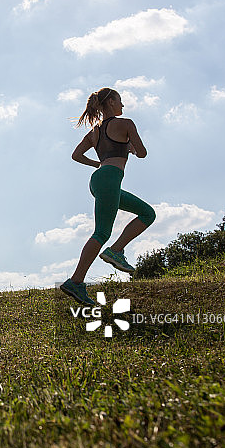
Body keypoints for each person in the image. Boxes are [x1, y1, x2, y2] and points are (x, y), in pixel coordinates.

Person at [60, 87, 156, 306]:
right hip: (110, 178)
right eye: (120, 100)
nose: (122, 105)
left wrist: (98, 164)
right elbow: (142, 153)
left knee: (147, 213)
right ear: (111, 102)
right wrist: (130, 145)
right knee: (102, 232)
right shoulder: (126, 124)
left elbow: (76, 155)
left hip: (99, 180)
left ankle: (117, 250)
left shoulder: (95, 131)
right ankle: (78, 279)